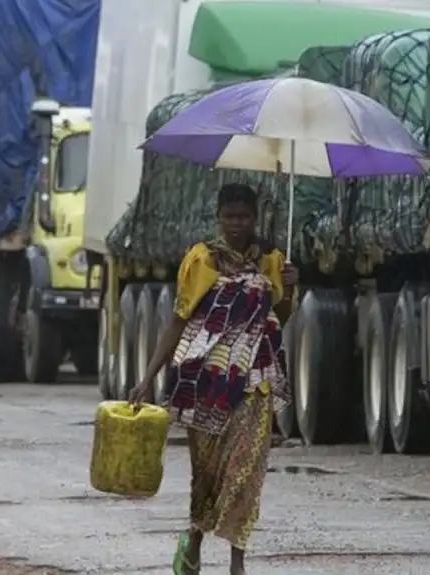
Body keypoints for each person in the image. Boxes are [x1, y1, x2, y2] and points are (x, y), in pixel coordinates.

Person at [130, 183, 298, 575]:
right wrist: (148, 376)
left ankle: (238, 562)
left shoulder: (274, 260)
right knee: (206, 472)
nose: (237, 224)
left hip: (255, 380)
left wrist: (290, 287)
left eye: (244, 216)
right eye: (230, 216)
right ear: (219, 218)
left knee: (246, 470)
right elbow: (179, 320)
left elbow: (280, 319)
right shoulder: (201, 259)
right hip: (204, 380)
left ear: (255, 218)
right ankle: (194, 538)